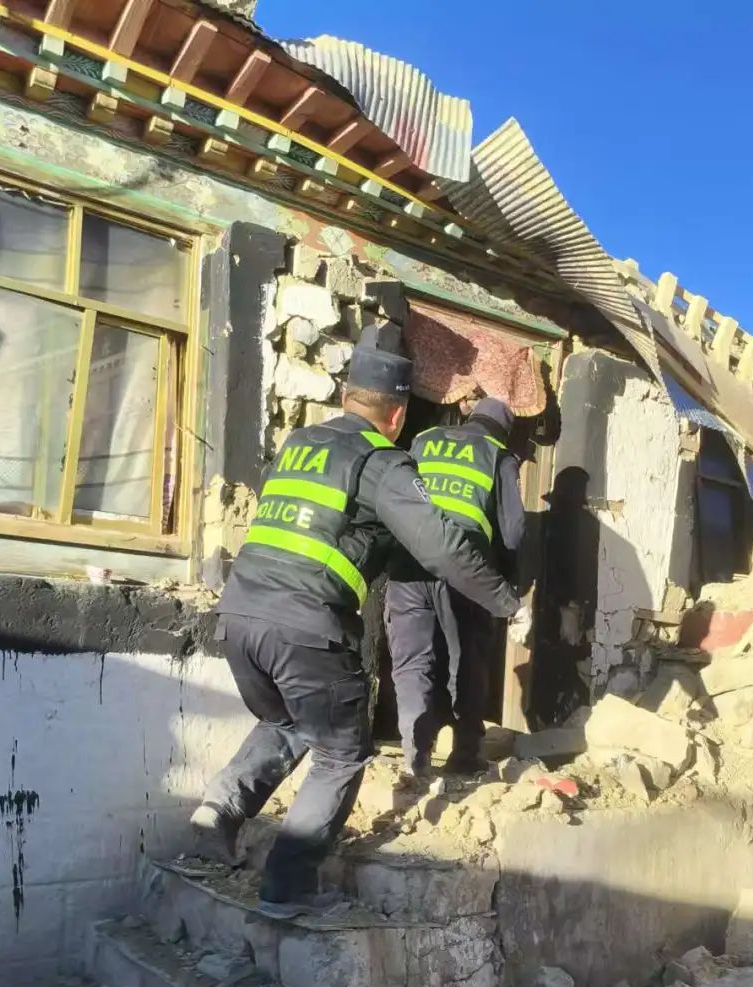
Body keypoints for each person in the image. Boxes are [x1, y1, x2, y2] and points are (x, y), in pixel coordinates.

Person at [190, 330, 520, 918]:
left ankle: (218, 809)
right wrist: (504, 601)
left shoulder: (301, 444)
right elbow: (442, 546)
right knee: (342, 752)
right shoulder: (381, 461)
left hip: (240, 614)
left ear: (346, 396)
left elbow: (330, 528)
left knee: (288, 719)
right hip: (305, 624)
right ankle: (287, 887)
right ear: (397, 415)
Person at [385, 397, 526, 778]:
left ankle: (415, 753)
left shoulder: (425, 438)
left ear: (471, 417)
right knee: (467, 660)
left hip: (409, 559)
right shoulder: (499, 455)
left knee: (412, 661)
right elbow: (513, 531)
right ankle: (464, 756)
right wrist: (505, 579)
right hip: (466, 564)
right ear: (504, 432)